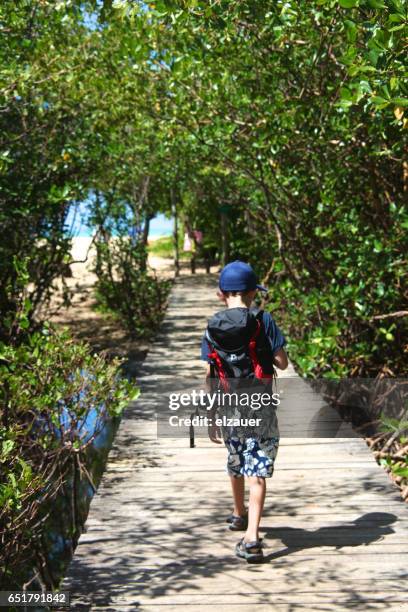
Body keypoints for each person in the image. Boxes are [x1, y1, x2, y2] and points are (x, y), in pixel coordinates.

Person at [201, 260, 288, 563]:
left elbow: (210, 373)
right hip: (261, 405)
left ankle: (238, 514)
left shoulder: (213, 326)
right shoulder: (263, 320)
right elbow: (282, 363)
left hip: (229, 405)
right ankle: (251, 536)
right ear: (253, 293)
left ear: (221, 294)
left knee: (235, 458)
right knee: (258, 469)